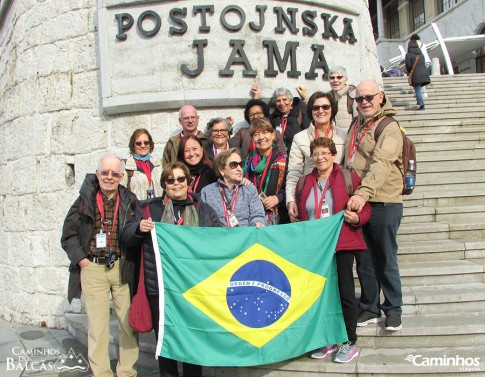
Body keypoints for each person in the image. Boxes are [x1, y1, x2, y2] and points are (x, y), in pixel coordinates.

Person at [121, 162, 220, 377]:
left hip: (194, 288)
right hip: (160, 287)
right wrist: (138, 228)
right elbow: (126, 235)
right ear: (164, 184)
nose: (176, 184)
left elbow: (221, 238)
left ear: (188, 181)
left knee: (193, 340)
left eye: (181, 179)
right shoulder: (149, 209)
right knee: (165, 341)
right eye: (170, 180)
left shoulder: (202, 209)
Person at [61, 153, 139, 377]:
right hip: (93, 268)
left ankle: (127, 371)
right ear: (97, 173)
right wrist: (82, 261)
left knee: (128, 323)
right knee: (98, 326)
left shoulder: (130, 199)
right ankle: (102, 373)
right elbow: (68, 235)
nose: (109, 177)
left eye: (114, 173)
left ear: (121, 176)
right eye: (105, 172)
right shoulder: (84, 200)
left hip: (122, 268)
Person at [295, 138, 371, 363]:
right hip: (316, 248)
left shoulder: (348, 178)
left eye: (324, 153)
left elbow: (366, 209)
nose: (320, 158)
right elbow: (302, 213)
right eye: (316, 154)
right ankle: (325, 338)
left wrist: (357, 218)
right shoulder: (304, 182)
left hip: (341, 243)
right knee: (319, 295)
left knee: (345, 292)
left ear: (333, 155)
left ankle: (349, 341)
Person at [343, 80, 404, 332]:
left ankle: (393, 308)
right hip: (360, 201)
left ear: (381, 97)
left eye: (369, 97)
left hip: (383, 201)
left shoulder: (389, 127)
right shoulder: (357, 123)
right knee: (365, 259)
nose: (364, 102)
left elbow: (381, 164)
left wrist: (363, 194)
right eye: (359, 99)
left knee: (385, 257)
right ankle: (370, 306)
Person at [286, 91, 347, 223]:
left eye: (325, 107)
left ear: (332, 109)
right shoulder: (299, 138)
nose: (321, 111)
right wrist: (291, 200)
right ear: (311, 111)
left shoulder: (344, 136)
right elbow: (294, 172)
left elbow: (349, 168)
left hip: (338, 195)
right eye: (316, 107)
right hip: (311, 197)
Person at [199, 148, 266, 227]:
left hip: (244, 237)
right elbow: (204, 221)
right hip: (218, 237)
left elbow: (258, 215)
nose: (239, 169)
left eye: (241, 164)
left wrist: (258, 222)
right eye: (234, 165)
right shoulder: (207, 192)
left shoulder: (250, 189)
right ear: (222, 170)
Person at [243, 118, 287, 225]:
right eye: (256, 134)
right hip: (251, 215)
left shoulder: (283, 160)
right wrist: (243, 182)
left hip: (276, 214)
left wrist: (278, 198)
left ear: (273, 135)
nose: (261, 137)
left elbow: (290, 186)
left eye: (265, 132)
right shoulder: (248, 161)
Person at [297, 66, 357, 131]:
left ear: (346, 80)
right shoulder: (328, 96)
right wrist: (306, 98)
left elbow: (359, 121)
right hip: (331, 138)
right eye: (332, 78)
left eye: (339, 77)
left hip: (349, 139)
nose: (335, 80)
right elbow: (317, 107)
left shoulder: (354, 95)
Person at [122, 128, 163, 200]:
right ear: (133, 145)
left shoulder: (158, 165)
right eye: (138, 143)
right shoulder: (126, 167)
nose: (143, 146)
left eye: (146, 142)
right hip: (137, 209)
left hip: (158, 208)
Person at [177, 134, 217, 202]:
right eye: (186, 151)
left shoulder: (212, 173)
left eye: (195, 149)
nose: (191, 153)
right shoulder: (176, 174)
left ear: (201, 149)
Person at [405, 38, 431, 110]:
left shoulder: (409, 54)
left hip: (416, 74)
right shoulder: (420, 53)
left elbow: (408, 65)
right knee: (418, 88)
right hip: (423, 73)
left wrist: (410, 71)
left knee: (417, 89)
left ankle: (421, 104)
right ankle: (419, 100)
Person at [410, 33, 431, 99]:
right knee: (423, 78)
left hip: (420, 62)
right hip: (427, 61)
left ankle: (423, 93)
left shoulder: (415, 45)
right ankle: (424, 92)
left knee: (420, 78)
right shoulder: (423, 44)